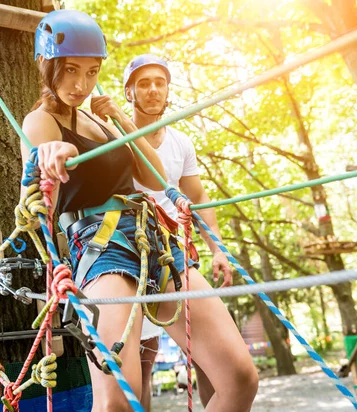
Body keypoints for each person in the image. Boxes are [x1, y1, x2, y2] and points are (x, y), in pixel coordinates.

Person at [22, 10, 258, 412]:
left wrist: (115, 118)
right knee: (118, 401)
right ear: (47, 66)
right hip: (102, 248)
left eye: (92, 71)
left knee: (240, 378)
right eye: (70, 70)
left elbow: (153, 177)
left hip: (154, 240)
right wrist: (45, 159)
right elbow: (37, 210)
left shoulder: (98, 117)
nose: (82, 84)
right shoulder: (39, 122)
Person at [124, 54, 233, 409]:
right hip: (132, 252)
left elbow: (196, 198)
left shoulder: (181, 143)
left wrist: (217, 248)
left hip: (176, 253)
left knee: (208, 358)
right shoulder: (117, 136)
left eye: (160, 82)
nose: (153, 89)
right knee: (141, 363)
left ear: (168, 89)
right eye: (144, 83)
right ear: (129, 92)